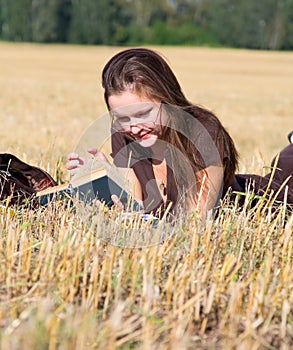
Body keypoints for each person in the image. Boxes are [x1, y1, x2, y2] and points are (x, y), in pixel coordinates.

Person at [66, 48, 293, 219]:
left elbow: (197, 220)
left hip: (268, 202)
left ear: (169, 100)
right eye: (123, 118)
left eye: (144, 113)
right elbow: (136, 209)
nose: (134, 127)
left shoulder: (203, 131)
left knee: (285, 174)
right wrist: (108, 179)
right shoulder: (123, 133)